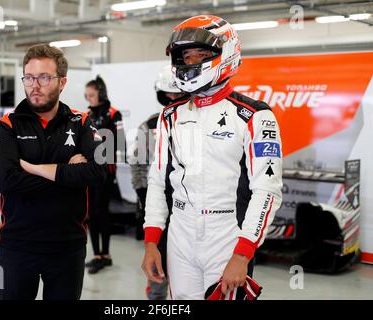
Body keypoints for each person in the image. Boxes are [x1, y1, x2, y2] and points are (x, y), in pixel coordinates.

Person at [141, 15, 283, 300]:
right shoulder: (170, 116)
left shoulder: (256, 115)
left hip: (227, 233)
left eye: (201, 55)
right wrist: (151, 242)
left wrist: (243, 254)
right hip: (179, 234)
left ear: (226, 54)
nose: (191, 62)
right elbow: (157, 181)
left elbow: (267, 191)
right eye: (186, 56)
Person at [0, 44, 106, 300]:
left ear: (62, 82)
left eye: (44, 77)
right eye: (29, 77)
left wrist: (35, 169)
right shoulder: (8, 125)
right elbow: (8, 181)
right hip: (16, 246)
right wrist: (68, 173)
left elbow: (98, 172)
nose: (35, 85)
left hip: (68, 247)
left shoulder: (82, 121)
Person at [130, 65, 184, 300]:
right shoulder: (151, 125)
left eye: (177, 93)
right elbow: (138, 162)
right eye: (168, 94)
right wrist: (142, 194)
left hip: (191, 209)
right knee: (157, 265)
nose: (172, 98)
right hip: (159, 205)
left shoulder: (202, 123)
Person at [84, 75, 126, 274]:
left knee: (102, 213)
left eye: (91, 95)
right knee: (91, 214)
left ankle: (105, 255)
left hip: (106, 171)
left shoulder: (114, 113)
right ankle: (97, 255)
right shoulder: (86, 115)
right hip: (89, 170)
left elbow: (121, 141)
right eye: (87, 95)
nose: (89, 99)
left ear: (101, 93)